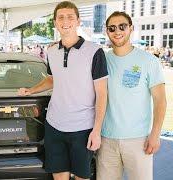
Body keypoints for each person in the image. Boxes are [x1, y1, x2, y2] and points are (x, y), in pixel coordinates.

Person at [18, 1, 108, 180]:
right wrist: (31, 90)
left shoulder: (95, 51)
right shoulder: (51, 50)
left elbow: (102, 94)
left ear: (78, 21)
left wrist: (96, 130)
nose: (65, 21)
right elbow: (52, 78)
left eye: (70, 17)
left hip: (83, 127)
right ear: (55, 22)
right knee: (59, 176)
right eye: (61, 17)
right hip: (54, 125)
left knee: (81, 177)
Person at [97, 11, 167, 180]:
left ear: (131, 28)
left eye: (122, 26)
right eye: (112, 28)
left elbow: (160, 101)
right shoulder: (101, 60)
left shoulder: (149, 61)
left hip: (138, 140)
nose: (117, 31)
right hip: (106, 140)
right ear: (107, 31)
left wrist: (155, 135)